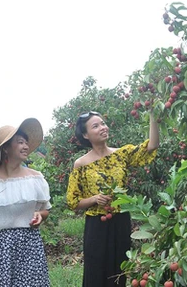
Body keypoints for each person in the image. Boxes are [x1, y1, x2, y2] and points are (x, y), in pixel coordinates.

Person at [66, 111, 159, 287]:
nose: (103, 127)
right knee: (95, 272)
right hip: (96, 224)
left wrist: (154, 114)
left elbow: (152, 145)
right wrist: (94, 199)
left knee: (119, 270)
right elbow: (72, 202)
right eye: (96, 126)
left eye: (103, 123)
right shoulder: (81, 164)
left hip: (121, 220)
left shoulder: (121, 154)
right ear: (86, 135)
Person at [0, 117, 51, 287]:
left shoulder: (35, 179)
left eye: (26, 142)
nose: (26, 146)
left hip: (29, 246)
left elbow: (45, 210)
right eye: (20, 142)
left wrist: (40, 216)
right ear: (5, 148)